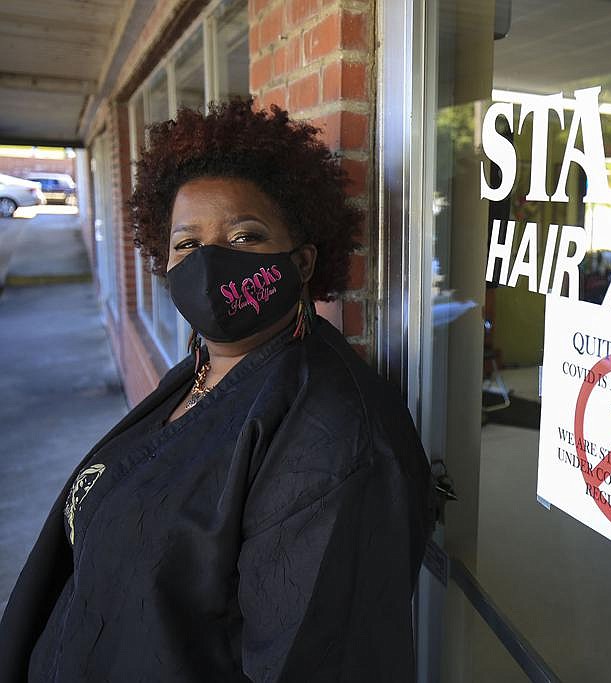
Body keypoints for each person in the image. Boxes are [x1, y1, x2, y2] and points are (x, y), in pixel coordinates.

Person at [0, 98, 434, 682]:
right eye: (186, 244)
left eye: (244, 236)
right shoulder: (205, 364)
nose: (209, 264)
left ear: (301, 262)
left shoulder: (334, 441)